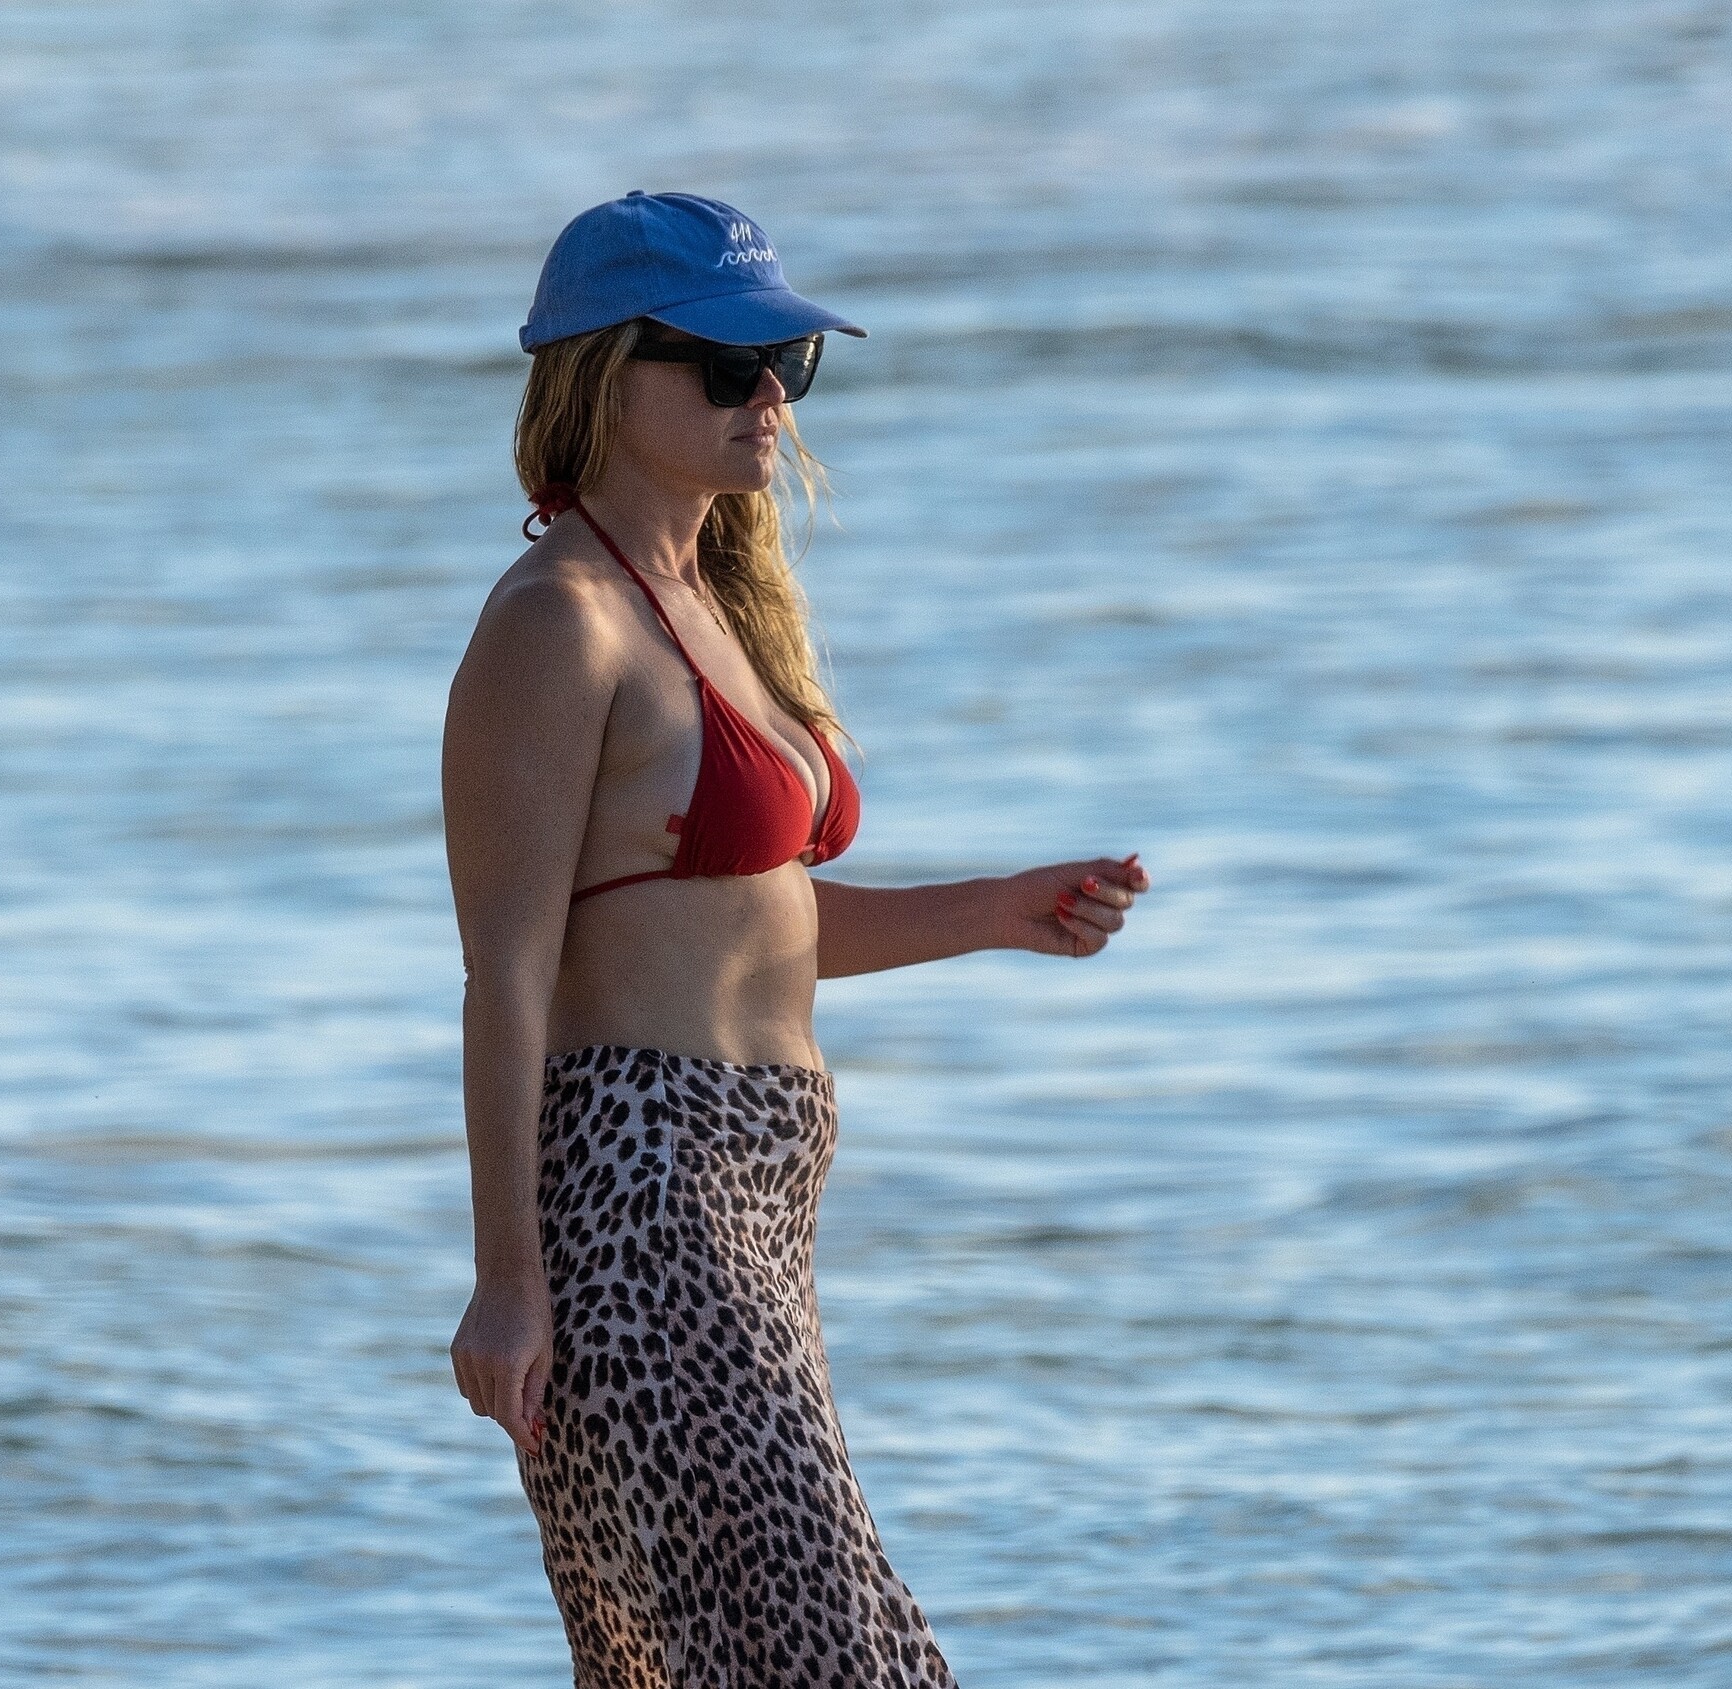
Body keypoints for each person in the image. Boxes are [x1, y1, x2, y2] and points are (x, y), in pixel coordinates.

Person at [443, 190, 1150, 1688]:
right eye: (728, 364)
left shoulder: (714, 603)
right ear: (605, 375)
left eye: (788, 362)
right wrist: (508, 1278)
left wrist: (1001, 912)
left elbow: (742, 925)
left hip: (755, 1208)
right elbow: (505, 969)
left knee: (751, 1656)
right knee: (831, 1653)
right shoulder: (558, 623)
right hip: (644, 1202)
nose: (769, 394)